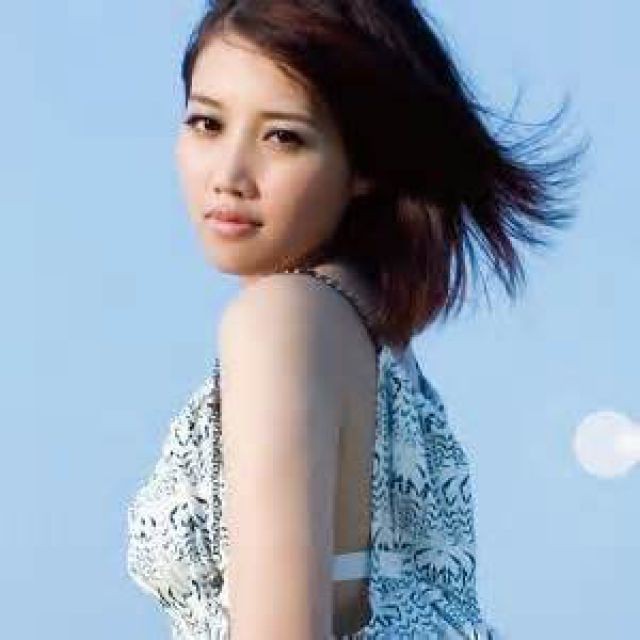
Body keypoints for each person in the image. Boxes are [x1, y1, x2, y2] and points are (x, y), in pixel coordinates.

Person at [127, 1, 589, 638]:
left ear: (366, 164)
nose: (229, 176)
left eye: (283, 136)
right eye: (207, 123)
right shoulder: (369, 334)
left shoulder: (280, 322)